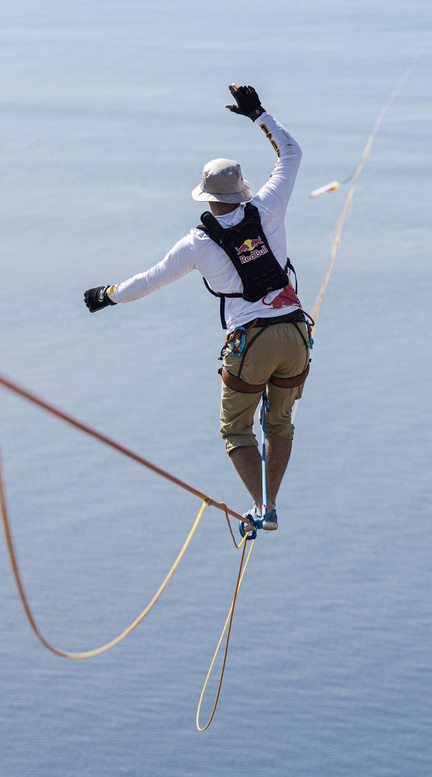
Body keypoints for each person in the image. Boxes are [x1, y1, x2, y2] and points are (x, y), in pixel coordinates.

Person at [83, 85, 310, 534]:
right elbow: (292, 154)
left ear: (205, 197)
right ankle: (271, 506)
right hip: (295, 333)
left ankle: (265, 506)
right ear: (242, 191)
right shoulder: (267, 208)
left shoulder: (199, 243)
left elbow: (150, 280)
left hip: (253, 342)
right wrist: (258, 114)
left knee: (236, 431)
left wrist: (107, 295)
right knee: (279, 424)